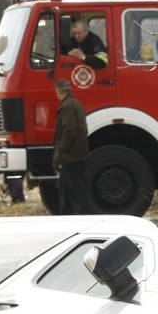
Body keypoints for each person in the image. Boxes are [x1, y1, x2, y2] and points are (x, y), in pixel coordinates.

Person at [53, 78, 94, 215]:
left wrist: (61, 150)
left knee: (71, 190)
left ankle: (75, 216)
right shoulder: (76, 103)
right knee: (79, 187)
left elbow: (69, 130)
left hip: (71, 155)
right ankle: (80, 213)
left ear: (59, 91)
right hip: (80, 153)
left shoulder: (67, 106)